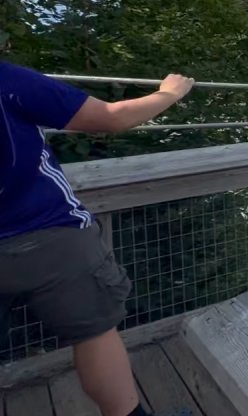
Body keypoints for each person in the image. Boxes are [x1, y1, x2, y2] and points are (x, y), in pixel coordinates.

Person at [1, 63, 195, 416]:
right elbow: (110, 118)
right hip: (47, 232)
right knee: (94, 334)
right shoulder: (6, 81)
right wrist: (170, 93)